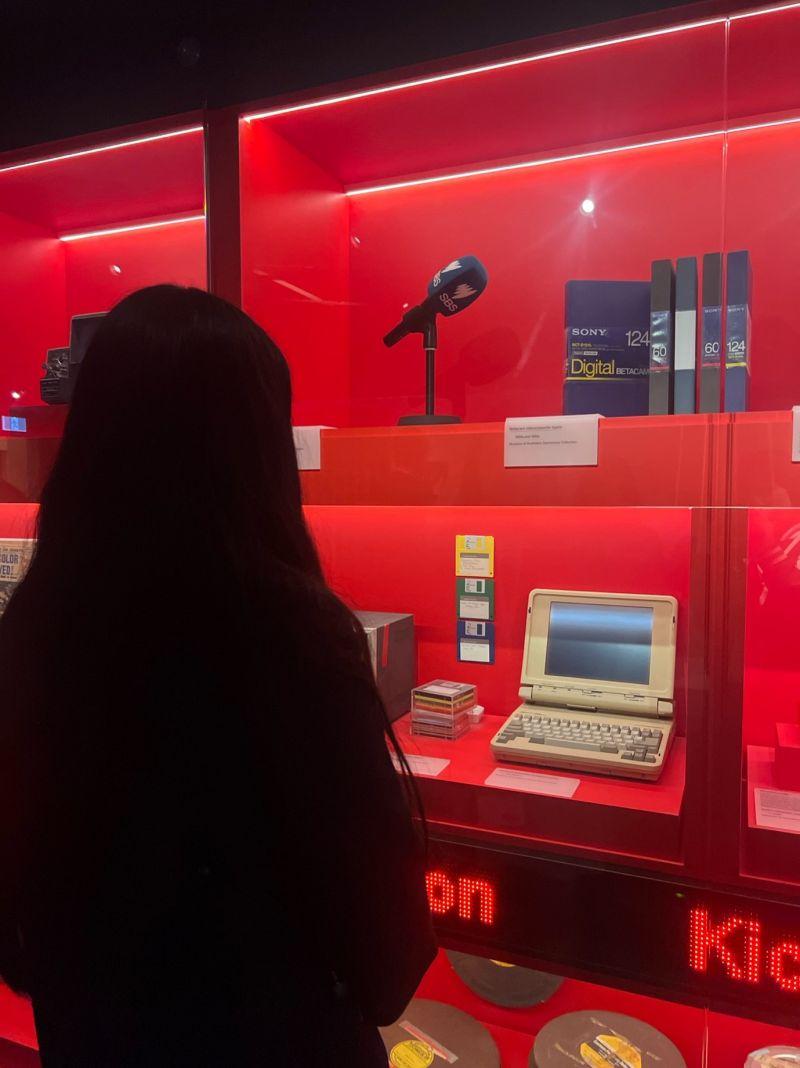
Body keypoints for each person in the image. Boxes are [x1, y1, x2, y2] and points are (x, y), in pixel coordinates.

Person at [0, 285, 436, 1066]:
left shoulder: (32, 637)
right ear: (258, 458)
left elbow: (19, 944)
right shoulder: (297, 656)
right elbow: (388, 963)